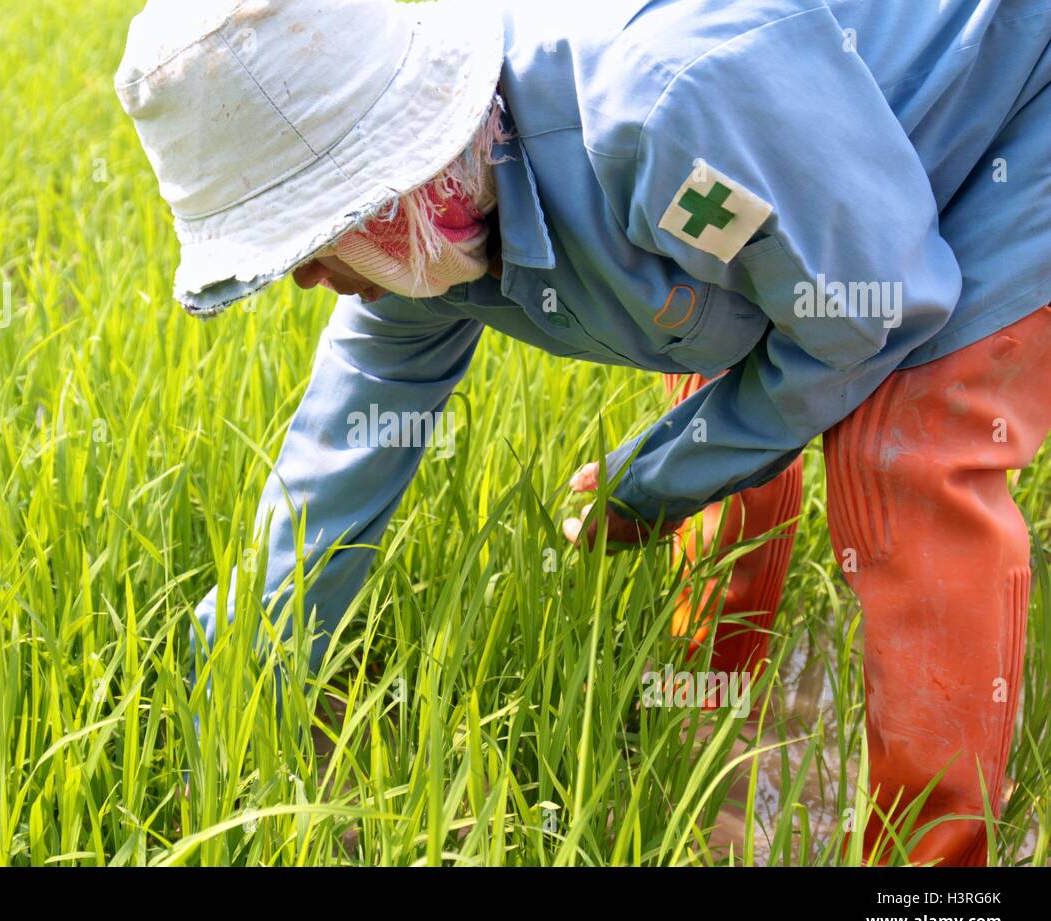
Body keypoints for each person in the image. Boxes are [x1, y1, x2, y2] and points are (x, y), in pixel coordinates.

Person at [116, 0, 1051, 865]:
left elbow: (865, 317)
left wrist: (649, 485)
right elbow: (342, 451)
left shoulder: (662, 117)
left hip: (1011, 89)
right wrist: (229, 690)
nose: (308, 282)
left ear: (399, 176)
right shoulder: (427, 226)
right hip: (811, 173)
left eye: (308, 243)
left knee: (903, 449)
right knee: (729, 340)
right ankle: (712, 709)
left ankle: (933, 881)